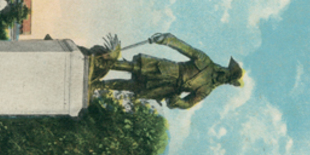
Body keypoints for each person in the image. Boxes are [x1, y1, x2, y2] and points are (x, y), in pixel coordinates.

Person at [93, 33, 243, 110]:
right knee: (135, 67)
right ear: (225, 70)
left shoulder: (206, 89)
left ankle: (98, 85)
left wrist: (178, 102)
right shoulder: (205, 61)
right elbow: (184, 47)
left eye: (228, 80)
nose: (225, 78)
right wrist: (166, 38)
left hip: (167, 89)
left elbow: (189, 103)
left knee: (132, 86)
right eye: (228, 74)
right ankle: (102, 63)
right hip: (169, 70)